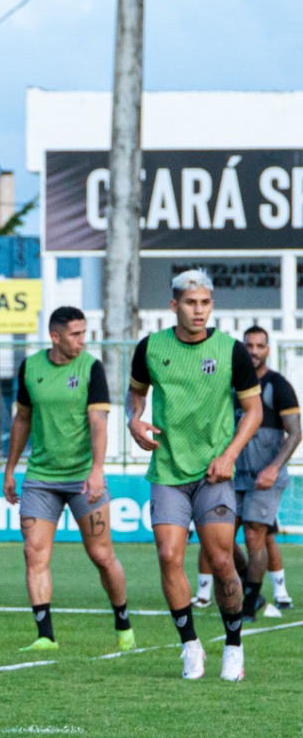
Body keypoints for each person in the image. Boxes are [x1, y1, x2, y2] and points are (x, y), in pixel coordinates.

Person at [127, 269, 261, 681]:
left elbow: (253, 412)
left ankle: (234, 646)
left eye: (205, 302)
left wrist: (229, 455)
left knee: (222, 561)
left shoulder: (231, 351)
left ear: (211, 305)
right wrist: (135, 420)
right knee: (169, 555)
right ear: (174, 305)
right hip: (167, 470)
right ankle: (190, 646)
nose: (198, 310)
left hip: (214, 474)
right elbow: (136, 393)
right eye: (190, 302)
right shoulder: (150, 348)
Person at [3, 306, 133, 652]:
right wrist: (10, 469)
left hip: (82, 479)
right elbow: (22, 419)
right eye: (75, 334)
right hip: (41, 478)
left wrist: (97, 471)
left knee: (102, 557)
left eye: (83, 333)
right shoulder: (31, 367)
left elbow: (99, 422)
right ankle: (45, 635)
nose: (82, 340)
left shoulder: (91, 368)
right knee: (34, 553)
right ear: (55, 336)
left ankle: (122, 622)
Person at [192, 325, 300, 618]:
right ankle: (250, 587)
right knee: (219, 538)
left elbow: (295, 432)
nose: (253, 351)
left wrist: (274, 468)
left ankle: (250, 600)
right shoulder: (231, 385)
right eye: (249, 345)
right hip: (231, 475)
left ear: (267, 349)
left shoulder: (278, 385)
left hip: (265, 477)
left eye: (259, 346)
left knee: (255, 534)